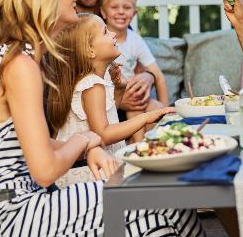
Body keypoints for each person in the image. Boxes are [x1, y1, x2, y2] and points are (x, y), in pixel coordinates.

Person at [0, 0, 218, 237]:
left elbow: (33, 143)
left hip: (15, 211)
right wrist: (86, 140)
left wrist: (89, 145)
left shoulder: (18, 57)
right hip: (3, 223)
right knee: (152, 202)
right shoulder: (18, 65)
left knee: (164, 204)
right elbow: (45, 170)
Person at [47, 13, 176, 187]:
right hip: (88, 172)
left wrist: (120, 87)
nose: (113, 34)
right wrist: (145, 118)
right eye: (105, 32)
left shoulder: (98, 80)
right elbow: (103, 134)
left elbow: (109, 112)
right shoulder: (92, 85)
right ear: (90, 50)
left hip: (93, 164)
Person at [65, 0, 156, 120]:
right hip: (92, 110)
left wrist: (148, 76)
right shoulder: (69, 22)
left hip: (126, 99)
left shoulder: (114, 13)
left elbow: (133, 58)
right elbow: (67, 79)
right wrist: (116, 99)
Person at [101, 0, 170, 122]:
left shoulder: (135, 40)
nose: (121, 11)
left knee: (158, 109)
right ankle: (138, 137)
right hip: (107, 99)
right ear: (103, 12)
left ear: (134, 13)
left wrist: (167, 110)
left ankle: (165, 128)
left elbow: (158, 76)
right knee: (136, 108)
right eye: (114, 7)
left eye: (127, 7)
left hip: (133, 96)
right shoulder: (100, 39)